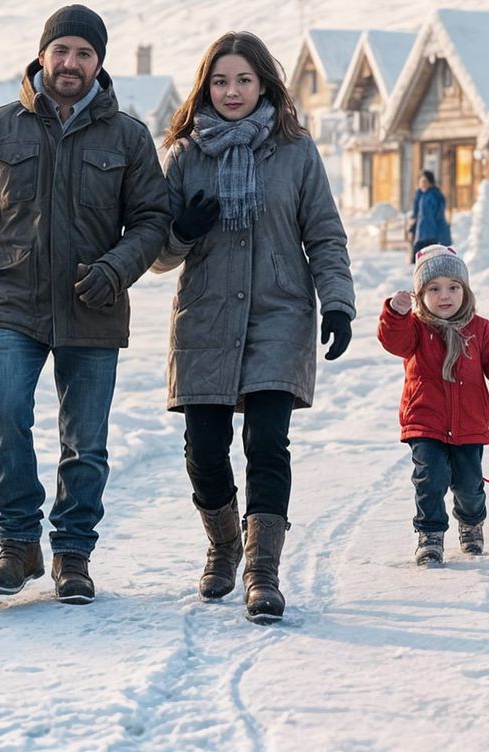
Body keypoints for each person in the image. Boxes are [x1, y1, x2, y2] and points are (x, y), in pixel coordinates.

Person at [0, 4, 170, 604]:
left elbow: (152, 221)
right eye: (61, 50)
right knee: (5, 415)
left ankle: (72, 553)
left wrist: (115, 269)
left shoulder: (129, 137)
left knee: (84, 442)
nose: (71, 63)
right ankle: (18, 544)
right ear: (42, 55)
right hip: (14, 303)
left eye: (84, 54)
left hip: (95, 307)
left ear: (99, 64)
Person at [151, 31, 354, 624]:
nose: (232, 91)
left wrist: (337, 301)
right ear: (205, 88)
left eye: (243, 79)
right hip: (207, 320)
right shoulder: (186, 155)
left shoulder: (295, 151)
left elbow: (324, 233)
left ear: (264, 83)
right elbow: (157, 253)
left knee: (267, 444)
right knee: (204, 452)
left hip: (279, 314)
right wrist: (180, 229)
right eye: (220, 81)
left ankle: (262, 573)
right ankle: (223, 544)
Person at [376, 245, 489, 567]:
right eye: (433, 289)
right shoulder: (415, 329)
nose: (444, 295)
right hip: (425, 421)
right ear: (420, 295)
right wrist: (396, 313)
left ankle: (472, 522)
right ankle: (430, 536)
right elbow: (394, 342)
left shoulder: (480, 329)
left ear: (465, 290)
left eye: (453, 287)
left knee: (468, 485)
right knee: (429, 479)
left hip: (470, 424)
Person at [407, 169, 451, 260]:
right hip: (422, 235)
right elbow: (417, 215)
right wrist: (413, 228)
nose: (421, 184)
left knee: (427, 260)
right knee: (419, 261)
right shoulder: (421, 195)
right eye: (420, 181)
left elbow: (437, 217)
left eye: (424, 181)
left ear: (430, 182)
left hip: (431, 235)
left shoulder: (433, 196)